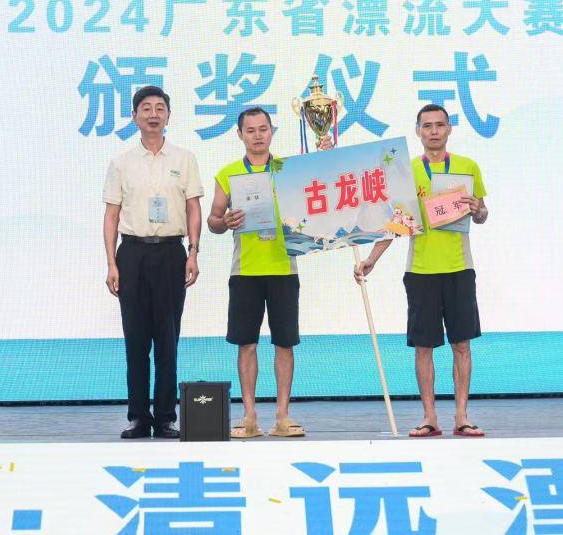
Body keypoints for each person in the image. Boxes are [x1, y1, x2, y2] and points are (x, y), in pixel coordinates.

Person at [353, 104, 489, 437]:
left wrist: (478, 210)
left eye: (439, 125)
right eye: (427, 126)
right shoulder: (408, 171)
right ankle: (430, 417)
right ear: (418, 131)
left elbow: (482, 214)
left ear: (449, 129)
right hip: (420, 271)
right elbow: (398, 223)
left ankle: (461, 416)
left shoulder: (467, 167)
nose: (433, 131)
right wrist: (372, 259)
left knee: (462, 345)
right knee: (423, 347)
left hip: (459, 268)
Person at [206, 107, 331, 438]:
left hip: (283, 268)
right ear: (240, 135)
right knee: (246, 344)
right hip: (245, 271)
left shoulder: (288, 170)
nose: (258, 135)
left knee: (284, 344)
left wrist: (326, 155)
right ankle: (249, 416)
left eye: (263, 129)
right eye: (251, 130)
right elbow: (213, 221)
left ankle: (282, 416)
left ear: (272, 131)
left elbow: (320, 195)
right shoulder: (228, 174)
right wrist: (225, 221)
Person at [104, 86, 203, 439]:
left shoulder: (184, 159)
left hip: (171, 253)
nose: (153, 114)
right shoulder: (121, 163)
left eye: (160, 108)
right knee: (135, 339)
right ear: (134, 116)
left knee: (167, 338)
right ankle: (138, 417)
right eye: (145, 108)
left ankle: (165, 417)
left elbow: (193, 208)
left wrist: (193, 252)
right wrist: (111, 263)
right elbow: (111, 216)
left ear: (168, 116)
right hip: (131, 253)